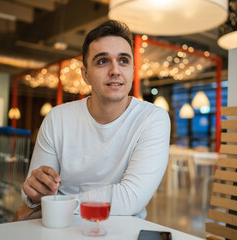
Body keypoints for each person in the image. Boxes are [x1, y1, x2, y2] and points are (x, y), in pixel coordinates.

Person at [21, 20, 170, 218]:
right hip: (61, 230)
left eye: (123, 61)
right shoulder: (57, 118)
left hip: (123, 231)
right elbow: (34, 194)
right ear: (86, 75)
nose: (115, 70)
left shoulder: (152, 118)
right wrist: (34, 192)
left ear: (132, 71)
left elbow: (131, 198)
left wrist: (55, 205)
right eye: (102, 61)